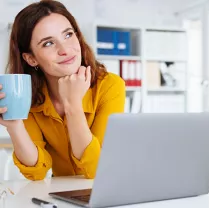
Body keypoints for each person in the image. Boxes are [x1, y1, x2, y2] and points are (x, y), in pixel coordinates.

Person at [0, 0, 126, 181]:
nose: (65, 50)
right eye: (48, 43)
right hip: (62, 195)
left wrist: (72, 104)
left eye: (68, 35)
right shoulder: (29, 96)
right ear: (31, 59)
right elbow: (36, 172)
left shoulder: (110, 86)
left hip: (109, 189)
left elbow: (98, 170)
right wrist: (15, 126)